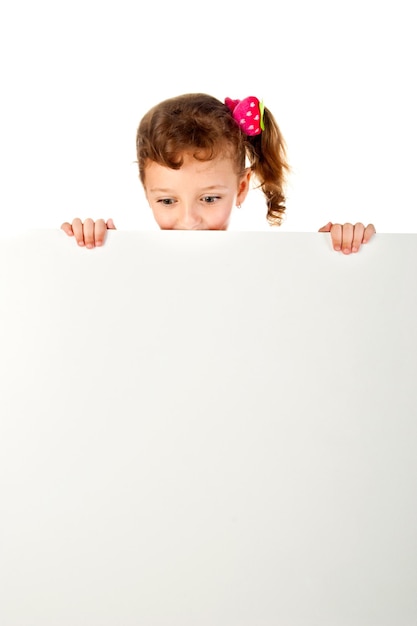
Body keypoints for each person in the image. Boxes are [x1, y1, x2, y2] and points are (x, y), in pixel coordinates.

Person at [61, 93, 375, 253]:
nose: (188, 221)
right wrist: (91, 250)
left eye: (209, 198)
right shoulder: (128, 262)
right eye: (167, 201)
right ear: (147, 193)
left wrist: (331, 254)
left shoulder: (269, 265)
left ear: (240, 188)